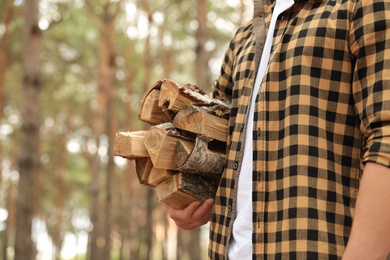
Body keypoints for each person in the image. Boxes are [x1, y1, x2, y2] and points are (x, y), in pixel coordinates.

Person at [167, 0, 390, 258]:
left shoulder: (361, 7)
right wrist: (186, 199)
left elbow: (385, 140)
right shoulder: (244, 38)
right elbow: (213, 147)